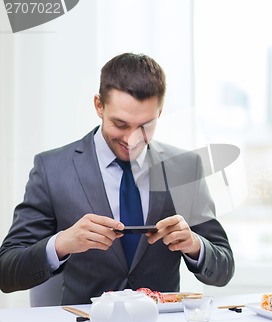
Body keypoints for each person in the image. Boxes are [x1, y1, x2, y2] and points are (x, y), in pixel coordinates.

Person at [0, 53, 235, 305]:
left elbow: (223, 269)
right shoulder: (52, 169)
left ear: (160, 112)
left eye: (145, 126)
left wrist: (195, 245)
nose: (132, 138)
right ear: (99, 106)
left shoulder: (185, 168)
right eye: (120, 124)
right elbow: (7, 273)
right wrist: (61, 243)